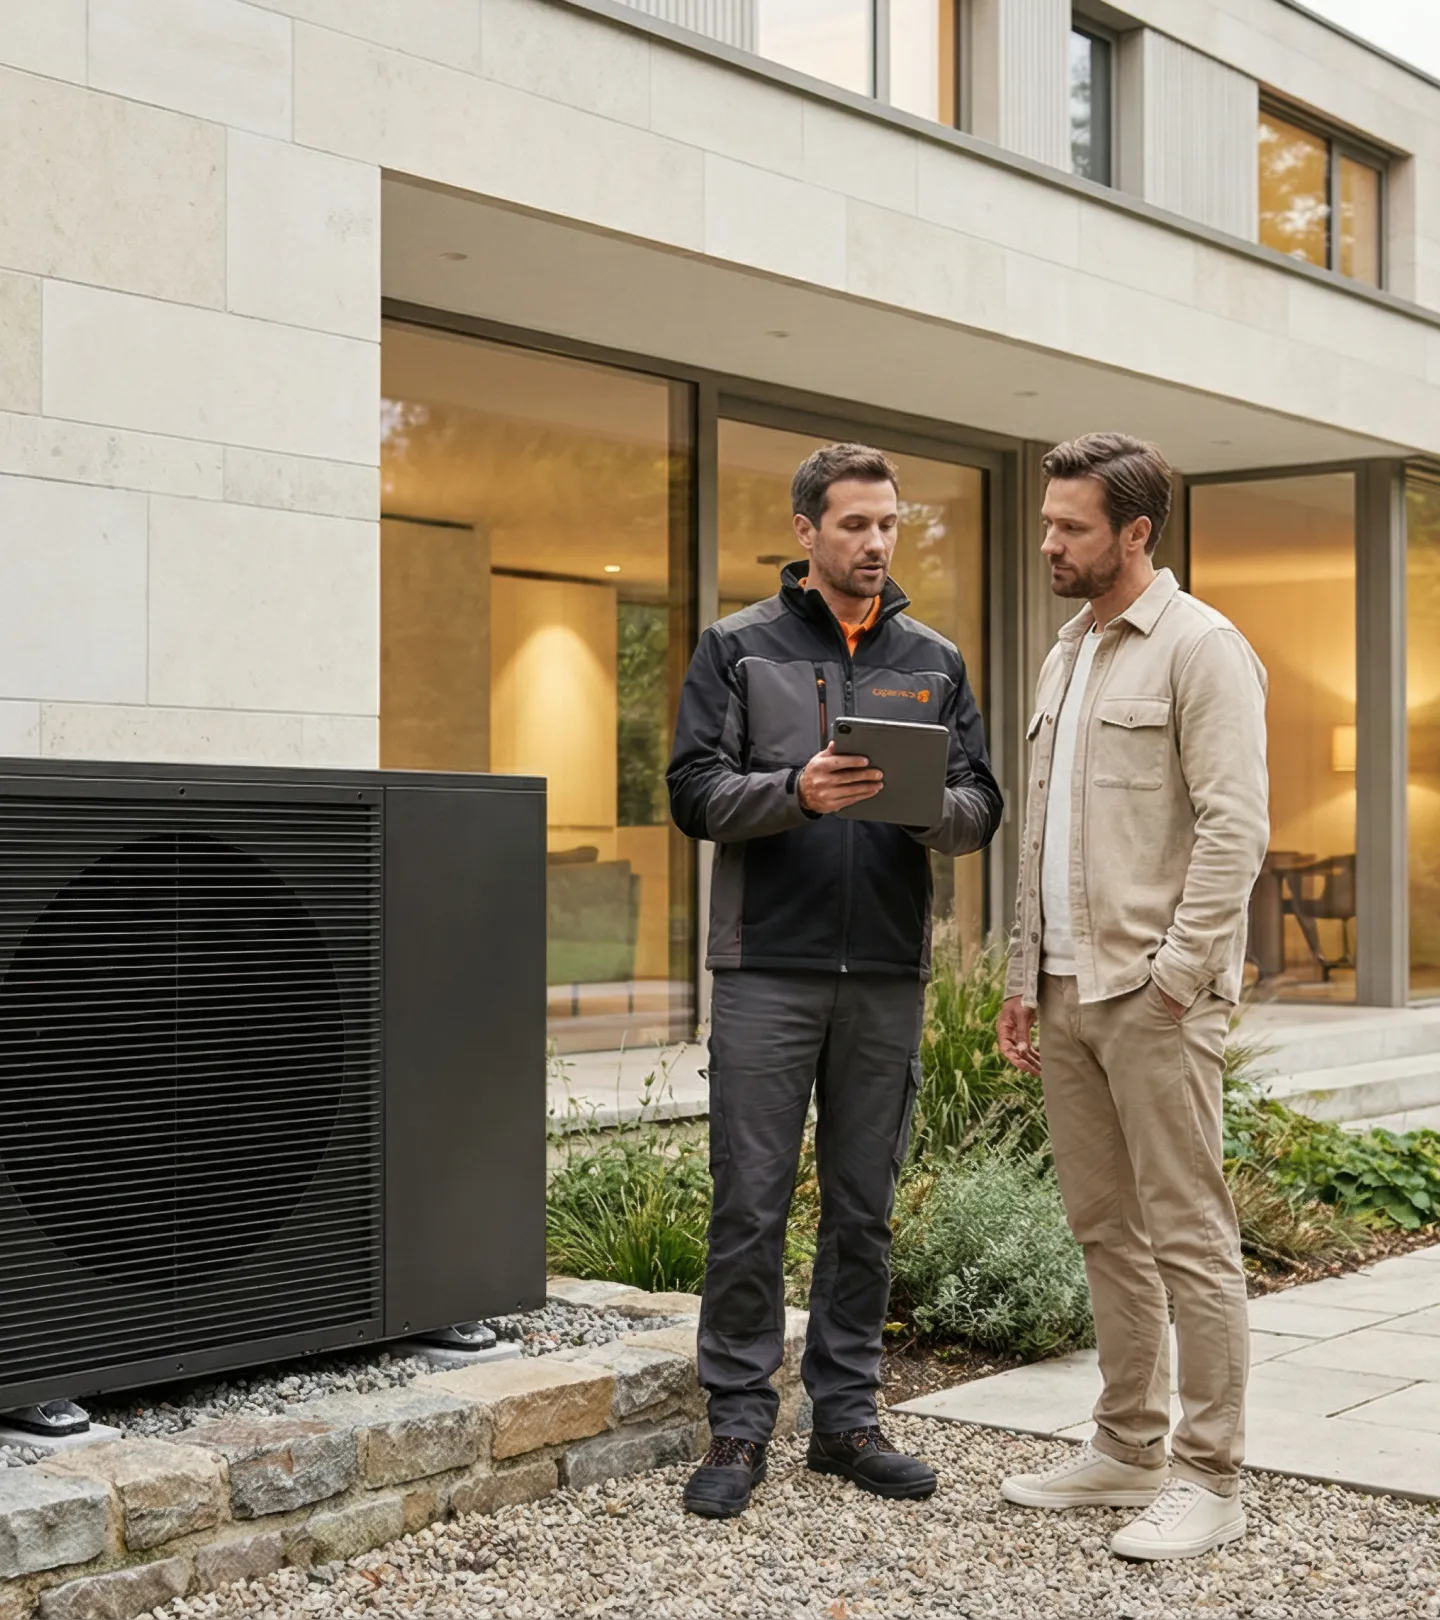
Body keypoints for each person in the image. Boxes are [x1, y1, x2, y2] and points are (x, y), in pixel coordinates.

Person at [667, 443, 1003, 1519]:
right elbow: (692, 792)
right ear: (807, 531)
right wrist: (797, 793)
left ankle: (847, 1421)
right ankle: (737, 1426)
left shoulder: (933, 660)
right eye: (855, 524)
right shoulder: (736, 648)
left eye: (889, 524)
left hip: (887, 973)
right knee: (750, 1204)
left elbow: (980, 806)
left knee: (865, 1209)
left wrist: (924, 808)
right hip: (767, 967)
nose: (876, 542)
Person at [996, 433, 1268, 1562]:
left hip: (1154, 998)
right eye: (1048, 523)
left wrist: (1177, 976)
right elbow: (1046, 834)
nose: (1049, 543)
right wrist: (1023, 979)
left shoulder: (1202, 649)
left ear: (1136, 533)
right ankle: (1126, 1447)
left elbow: (1235, 827)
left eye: (1072, 527)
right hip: (1065, 990)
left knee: (1189, 1234)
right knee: (1104, 1230)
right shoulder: (1067, 652)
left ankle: (1210, 1476)